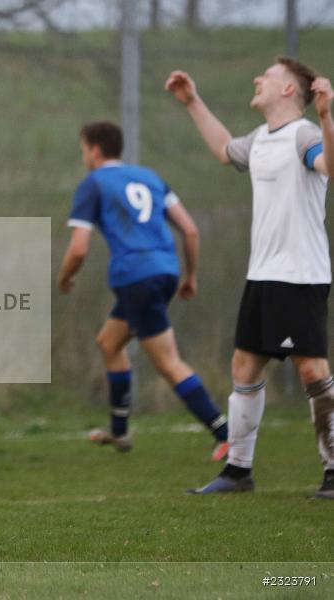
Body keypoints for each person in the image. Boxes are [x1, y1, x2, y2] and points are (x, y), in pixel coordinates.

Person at [166, 57, 334, 496]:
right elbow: (225, 151)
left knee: (313, 371)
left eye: (269, 76)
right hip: (263, 274)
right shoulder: (261, 139)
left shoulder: (305, 135)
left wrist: (327, 116)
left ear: (287, 91)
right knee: (244, 366)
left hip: (300, 275)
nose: (258, 79)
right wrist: (192, 102)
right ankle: (238, 472)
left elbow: (329, 167)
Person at [58, 121, 229, 459]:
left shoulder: (94, 184)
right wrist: (190, 276)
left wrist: (65, 277)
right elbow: (191, 231)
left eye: (83, 150)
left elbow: (78, 249)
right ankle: (120, 433)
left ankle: (226, 434)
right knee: (109, 342)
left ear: (94, 150)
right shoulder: (150, 177)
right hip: (164, 272)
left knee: (168, 363)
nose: (84, 157)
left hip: (137, 278)